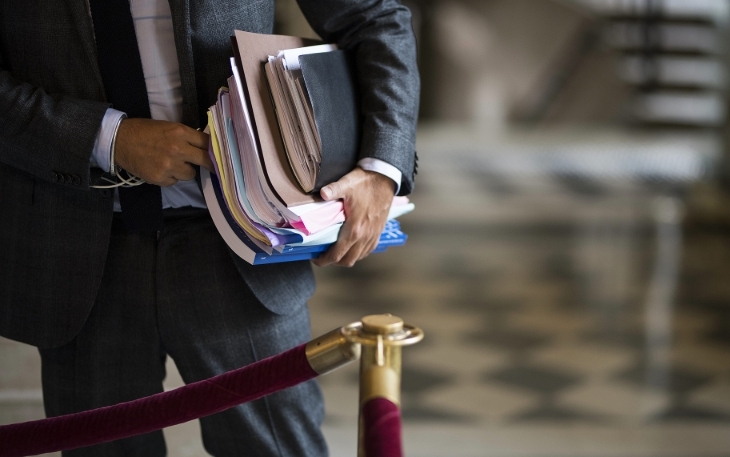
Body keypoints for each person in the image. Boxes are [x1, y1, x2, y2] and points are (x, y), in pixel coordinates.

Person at [0, 0, 418, 455]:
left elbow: (373, 16)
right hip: (74, 247)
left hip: (242, 246)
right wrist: (107, 138)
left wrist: (382, 166)